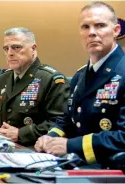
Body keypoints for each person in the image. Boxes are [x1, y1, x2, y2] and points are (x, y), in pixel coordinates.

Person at [35, 2, 125, 165]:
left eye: (100, 25)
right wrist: (50, 137)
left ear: (116, 30)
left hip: (112, 171)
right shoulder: (80, 76)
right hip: (76, 165)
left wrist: (71, 145)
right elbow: (67, 120)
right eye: (85, 27)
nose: (92, 33)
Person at [0, 27, 70, 146]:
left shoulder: (50, 79)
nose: (10, 53)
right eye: (6, 48)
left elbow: (59, 123)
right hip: (1, 148)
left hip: (34, 149)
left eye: (16, 47)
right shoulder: (1, 79)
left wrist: (21, 134)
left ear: (33, 49)